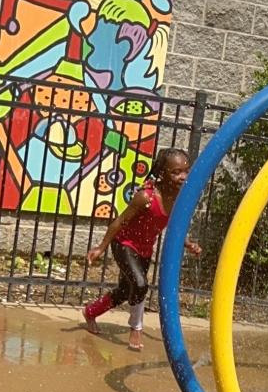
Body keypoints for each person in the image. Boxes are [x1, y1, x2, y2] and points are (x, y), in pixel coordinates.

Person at [82, 148, 201, 351]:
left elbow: (174, 226)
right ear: (162, 174)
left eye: (186, 171)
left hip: (145, 249)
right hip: (124, 245)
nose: (183, 177)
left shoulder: (179, 198)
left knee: (124, 291)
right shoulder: (145, 197)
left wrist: (187, 243)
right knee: (140, 285)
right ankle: (136, 328)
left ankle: (91, 311)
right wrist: (100, 248)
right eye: (176, 172)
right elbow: (119, 221)